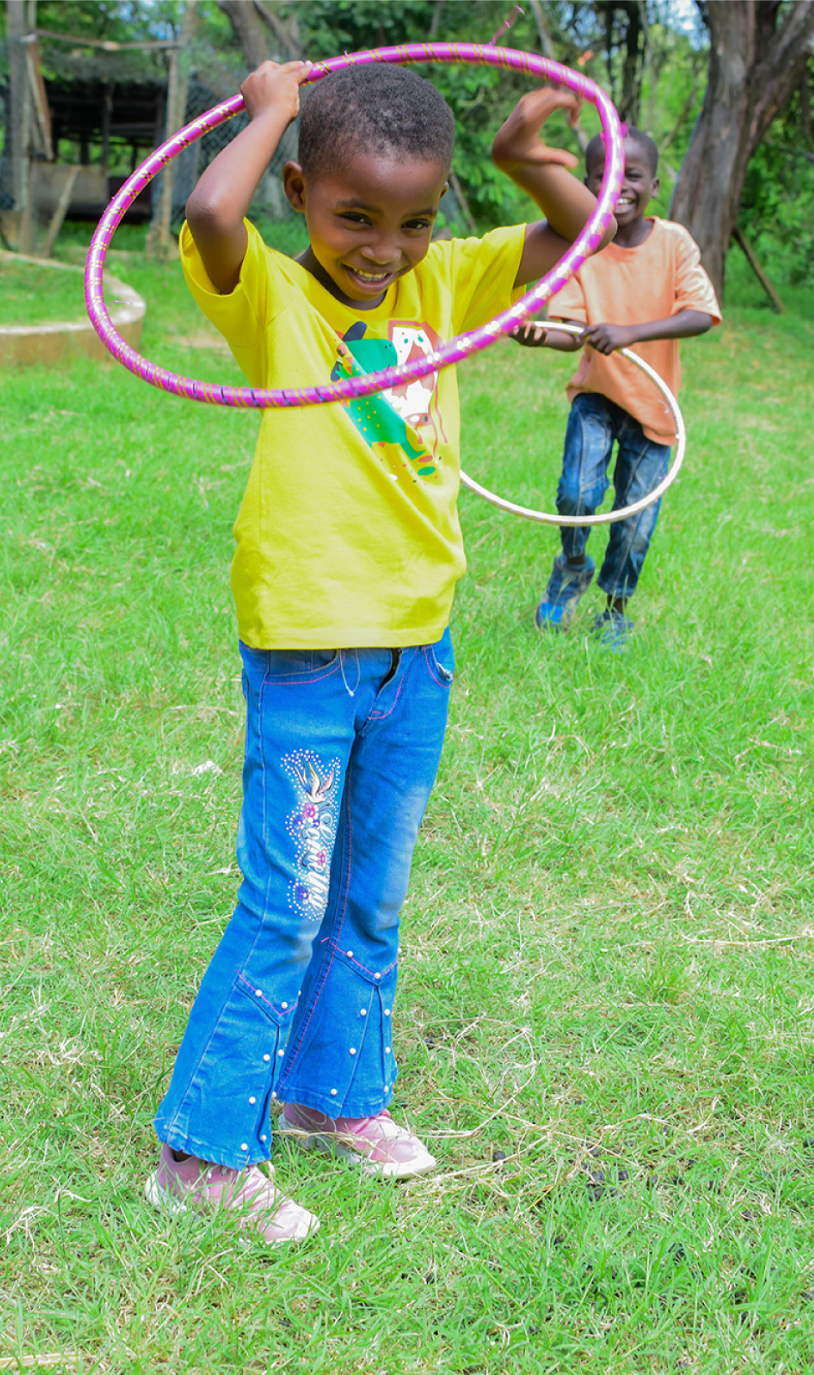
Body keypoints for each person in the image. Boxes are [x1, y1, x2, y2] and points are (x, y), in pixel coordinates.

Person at [145, 58, 613, 1247]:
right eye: (355, 216)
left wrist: (529, 162)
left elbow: (585, 228)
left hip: (418, 646)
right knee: (287, 900)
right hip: (308, 646)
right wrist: (266, 112)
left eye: (411, 221)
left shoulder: (445, 283)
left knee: (370, 893)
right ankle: (199, 1155)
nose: (382, 248)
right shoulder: (274, 301)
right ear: (300, 192)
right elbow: (207, 212)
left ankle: (330, 1096)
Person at [513, 126, 720, 650]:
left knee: (635, 521)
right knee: (576, 495)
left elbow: (701, 314)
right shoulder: (583, 250)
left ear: (652, 183)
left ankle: (616, 610)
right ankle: (572, 570)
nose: (618, 186)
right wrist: (540, 335)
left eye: (631, 175)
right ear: (585, 185)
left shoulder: (673, 242)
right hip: (597, 398)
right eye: (603, 176)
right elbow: (569, 331)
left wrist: (631, 333)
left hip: (654, 410)